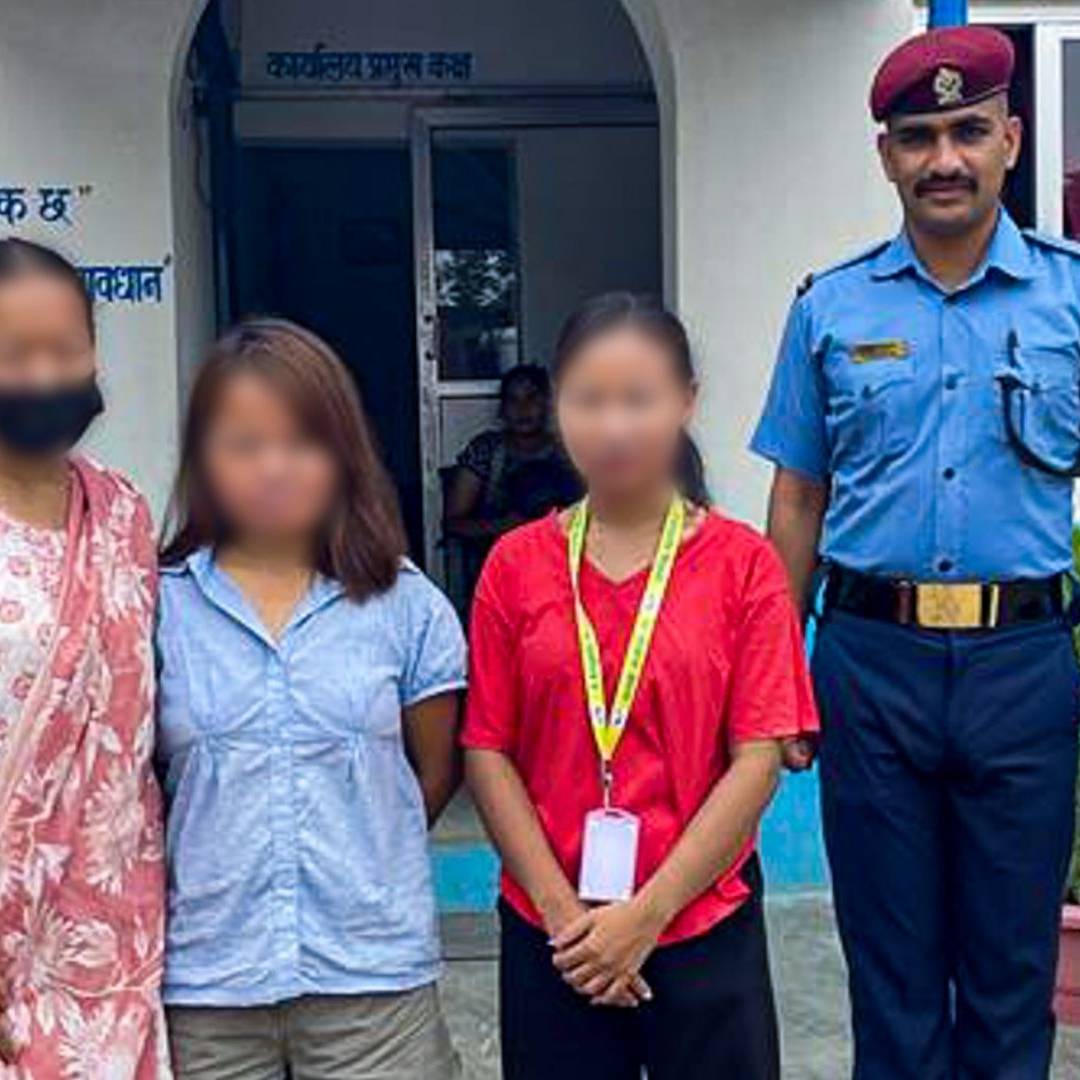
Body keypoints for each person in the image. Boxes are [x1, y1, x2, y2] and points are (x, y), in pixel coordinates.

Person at [752, 26, 1080, 1079]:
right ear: (886, 156)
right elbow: (798, 497)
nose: (945, 159)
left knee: (1012, 978)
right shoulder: (830, 307)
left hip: (1024, 664)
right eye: (918, 138)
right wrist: (777, 675)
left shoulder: (1071, 299)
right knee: (891, 978)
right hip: (871, 665)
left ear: (1011, 141)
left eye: (968, 132)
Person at [463, 292, 818, 1080]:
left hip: (701, 921)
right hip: (553, 932)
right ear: (559, 407)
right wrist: (567, 919)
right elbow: (487, 749)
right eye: (589, 400)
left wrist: (646, 916)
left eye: (639, 400)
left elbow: (757, 759)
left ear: (686, 402)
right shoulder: (515, 565)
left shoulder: (745, 566)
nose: (614, 426)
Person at [156, 318, 465, 1079]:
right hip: (207, 985)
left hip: (373, 985)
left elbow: (433, 774)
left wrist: (358, 857)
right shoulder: (158, 608)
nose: (273, 467)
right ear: (203, 458)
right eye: (243, 444)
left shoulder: (407, 607)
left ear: (343, 452)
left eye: (301, 442)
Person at [0, 239, 167, 1076]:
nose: (43, 376)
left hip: (113, 947)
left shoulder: (122, 513)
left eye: (64, 351)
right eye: (15, 356)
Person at [445, 363, 582, 546]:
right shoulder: (486, 451)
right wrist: (504, 526)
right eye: (513, 400)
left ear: (547, 404)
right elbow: (453, 523)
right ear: (502, 409)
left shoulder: (569, 450)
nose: (522, 408)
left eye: (531, 397)